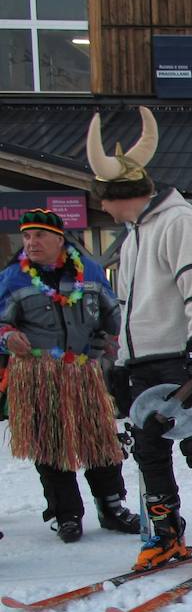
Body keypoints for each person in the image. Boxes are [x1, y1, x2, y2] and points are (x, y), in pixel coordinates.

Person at [87, 107, 192, 575]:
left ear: (120, 196)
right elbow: (130, 305)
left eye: (104, 200)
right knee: (150, 450)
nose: (103, 209)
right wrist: (120, 357)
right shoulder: (135, 235)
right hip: (144, 362)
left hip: (180, 355)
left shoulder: (179, 222)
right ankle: (166, 533)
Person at [0, 208, 140, 541]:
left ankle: (112, 506)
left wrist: (108, 344)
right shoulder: (13, 277)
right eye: (27, 236)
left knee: (101, 441)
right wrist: (7, 336)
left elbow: (112, 315)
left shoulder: (90, 271)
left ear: (59, 240)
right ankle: (66, 514)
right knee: (50, 445)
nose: (31, 243)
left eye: (39, 236)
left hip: (84, 371)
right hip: (37, 374)